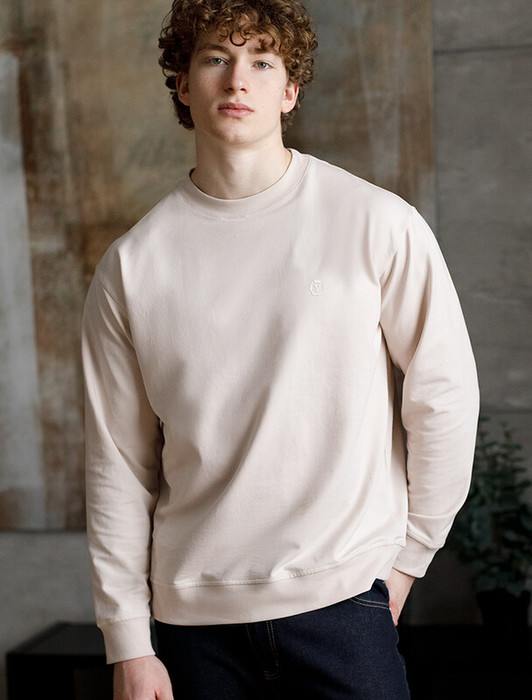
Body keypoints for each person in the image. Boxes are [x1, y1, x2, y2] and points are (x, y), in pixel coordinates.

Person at [81, 1, 480, 698]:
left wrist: (410, 558)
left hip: (344, 603)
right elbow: (117, 462)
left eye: (262, 63)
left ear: (290, 91)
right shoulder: (133, 265)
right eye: (215, 58)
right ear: (182, 83)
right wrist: (128, 642)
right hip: (193, 628)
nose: (238, 79)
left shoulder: (376, 222)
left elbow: (443, 394)